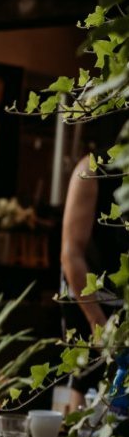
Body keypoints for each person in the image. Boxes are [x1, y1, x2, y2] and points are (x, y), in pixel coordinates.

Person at [61, 153, 129, 400]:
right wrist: (97, 322)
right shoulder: (92, 170)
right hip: (89, 298)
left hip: (125, 301)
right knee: (85, 386)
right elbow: (71, 254)